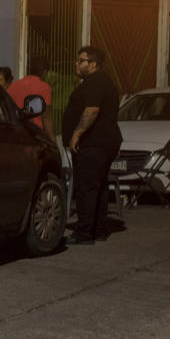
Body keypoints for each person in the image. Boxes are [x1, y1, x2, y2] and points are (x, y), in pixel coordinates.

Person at [62, 46, 122, 245]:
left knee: (86, 187)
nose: (76, 64)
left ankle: (84, 232)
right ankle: (99, 229)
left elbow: (92, 110)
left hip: (93, 144)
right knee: (99, 186)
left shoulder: (95, 83)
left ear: (93, 64)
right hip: (103, 143)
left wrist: (76, 134)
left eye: (81, 60)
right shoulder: (102, 82)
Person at [7, 56, 56, 142]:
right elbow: (46, 118)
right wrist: (53, 140)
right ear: (44, 72)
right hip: (34, 135)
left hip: (14, 134)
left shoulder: (12, 86)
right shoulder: (44, 87)